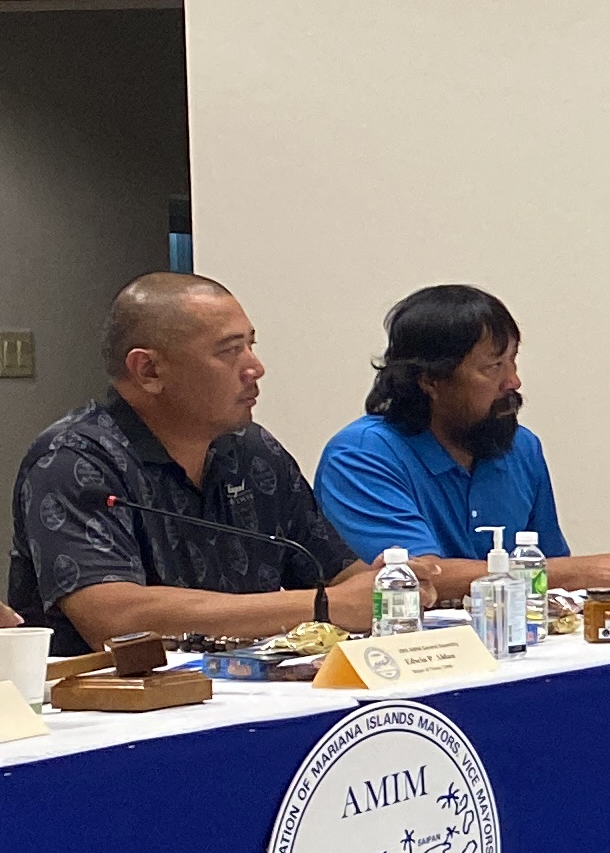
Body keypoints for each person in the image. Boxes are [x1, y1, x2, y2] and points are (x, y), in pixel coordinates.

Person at [9, 273, 374, 652]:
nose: (255, 367)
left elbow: (342, 576)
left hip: (254, 693)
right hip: (118, 704)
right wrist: (321, 607)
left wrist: (391, 584)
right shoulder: (73, 460)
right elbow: (114, 620)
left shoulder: (254, 451)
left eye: (251, 345)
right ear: (149, 371)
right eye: (229, 351)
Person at [315, 285, 610, 594]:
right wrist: (582, 570)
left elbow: (547, 570)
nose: (513, 381)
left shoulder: (521, 447)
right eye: (493, 367)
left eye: (513, 361)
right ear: (430, 380)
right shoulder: (362, 455)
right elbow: (414, 578)